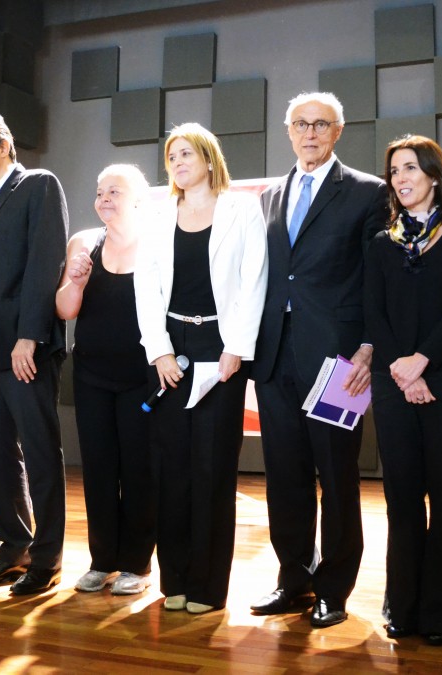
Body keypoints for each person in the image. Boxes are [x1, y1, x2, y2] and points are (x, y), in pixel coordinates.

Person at [251, 92, 388, 628]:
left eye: (321, 124)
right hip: (274, 355)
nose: (310, 133)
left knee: (337, 477)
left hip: (339, 360)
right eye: (301, 124)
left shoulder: (367, 192)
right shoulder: (269, 196)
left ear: (338, 131)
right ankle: (294, 577)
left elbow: (378, 276)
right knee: (284, 476)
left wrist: (369, 345)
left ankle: (334, 588)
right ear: (289, 131)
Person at [134, 122, 267, 614]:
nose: (178, 163)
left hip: (222, 347)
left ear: (209, 159)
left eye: (186, 154)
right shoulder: (157, 215)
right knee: (172, 469)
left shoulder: (242, 209)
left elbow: (254, 279)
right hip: (171, 349)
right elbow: (146, 286)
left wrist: (237, 347)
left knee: (211, 469)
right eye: (172, 157)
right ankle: (175, 581)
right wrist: (159, 350)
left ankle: (208, 588)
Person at [365, 136, 442, 645]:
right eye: (394, 171)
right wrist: (402, 368)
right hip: (393, 380)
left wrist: (422, 363)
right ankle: (404, 607)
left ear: (435, 175)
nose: (401, 178)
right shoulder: (382, 242)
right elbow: (374, 311)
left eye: (411, 168)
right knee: (402, 498)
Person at [0, 113, 69, 596]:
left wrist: (30, 336)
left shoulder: (38, 184)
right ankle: (15, 547)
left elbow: (46, 262)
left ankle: (47, 558)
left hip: (24, 344)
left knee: (39, 451)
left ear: (4, 146)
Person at [56, 164, 155, 595]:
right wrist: (76, 282)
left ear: (138, 199)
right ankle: (102, 560)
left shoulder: (156, 243)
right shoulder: (83, 242)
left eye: (115, 191)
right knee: (97, 468)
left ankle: (136, 564)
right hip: (92, 373)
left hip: (142, 376)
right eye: (100, 192)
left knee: (139, 469)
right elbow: (65, 309)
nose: (104, 199)